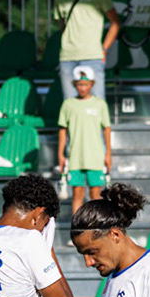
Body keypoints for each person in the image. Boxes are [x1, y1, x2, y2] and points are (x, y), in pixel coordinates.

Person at [53, 0, 121, 107]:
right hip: (68, 57)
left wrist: (104, 49)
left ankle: (97, 133)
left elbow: (115, 23)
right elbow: (62, 25)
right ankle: (73, 133)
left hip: (92, 56)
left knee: (96, 104)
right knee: (70, 105)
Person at [57, 65, 111, 215]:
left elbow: (106, 128)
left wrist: (108, 154)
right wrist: (61, 154)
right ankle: (77, 231)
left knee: (95, 195)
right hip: (75, 158)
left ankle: (96, 228)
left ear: (92, 84)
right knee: (77, 195)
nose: (82, 88)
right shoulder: (68, 104)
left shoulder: (100, 104)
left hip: (95, 157)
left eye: (86, 84)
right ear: (75, 84)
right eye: (80, 84)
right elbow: (63, 129)